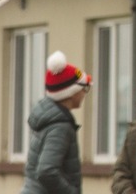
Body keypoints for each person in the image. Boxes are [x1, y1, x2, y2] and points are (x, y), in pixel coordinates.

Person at [21, 51, 91, 194]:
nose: (84, 93)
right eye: (84, 88)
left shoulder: (50, 119)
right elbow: (46, 171)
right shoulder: (60, 126)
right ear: (71, 93)